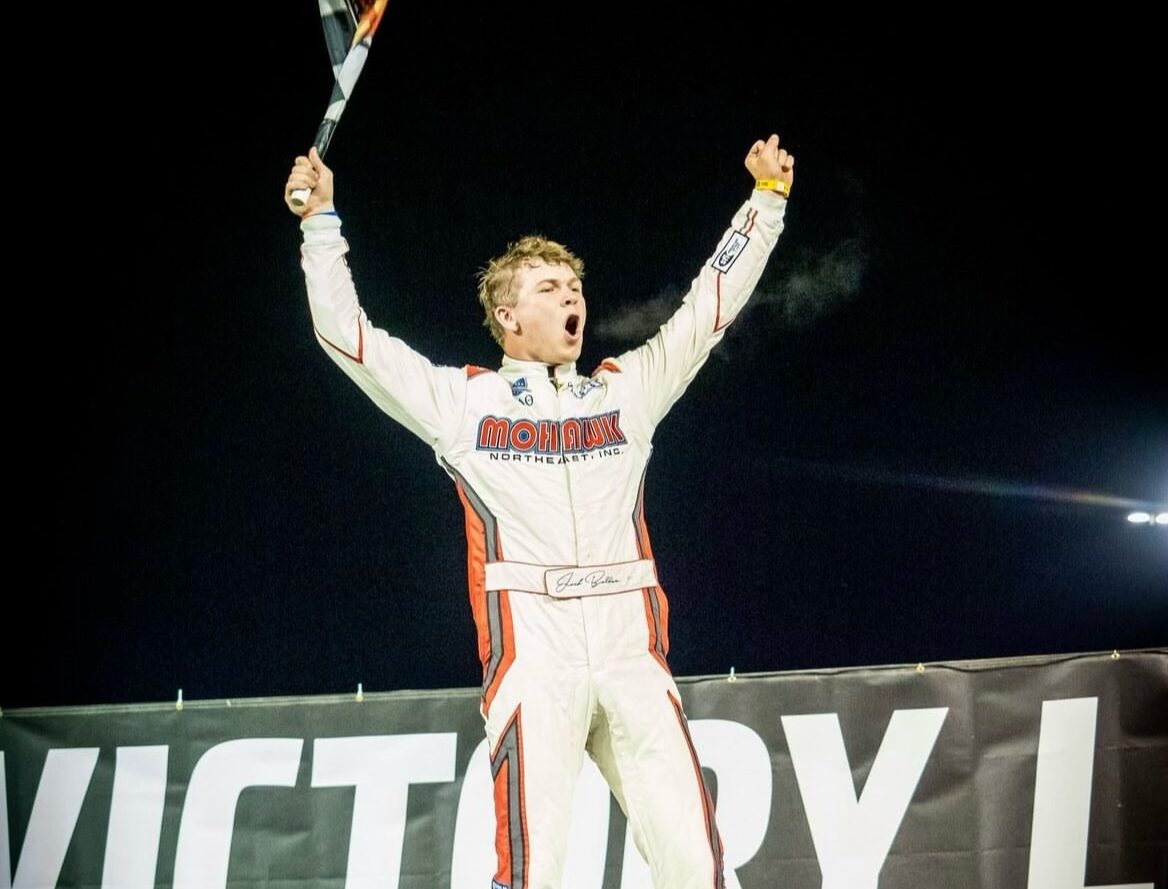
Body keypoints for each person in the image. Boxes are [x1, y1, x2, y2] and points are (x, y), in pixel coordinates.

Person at [284, 133, 794, 889]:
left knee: (698, 866)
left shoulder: (626, 392)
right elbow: (347, 336)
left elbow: (707, 308)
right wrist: (320, 223)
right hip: (535, 658)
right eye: (551, 287)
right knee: (530, 873)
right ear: (506, 314)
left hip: (631, 654)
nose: (572, 297)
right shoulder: (463, 403)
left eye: (575, 286)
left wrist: (766, 202)